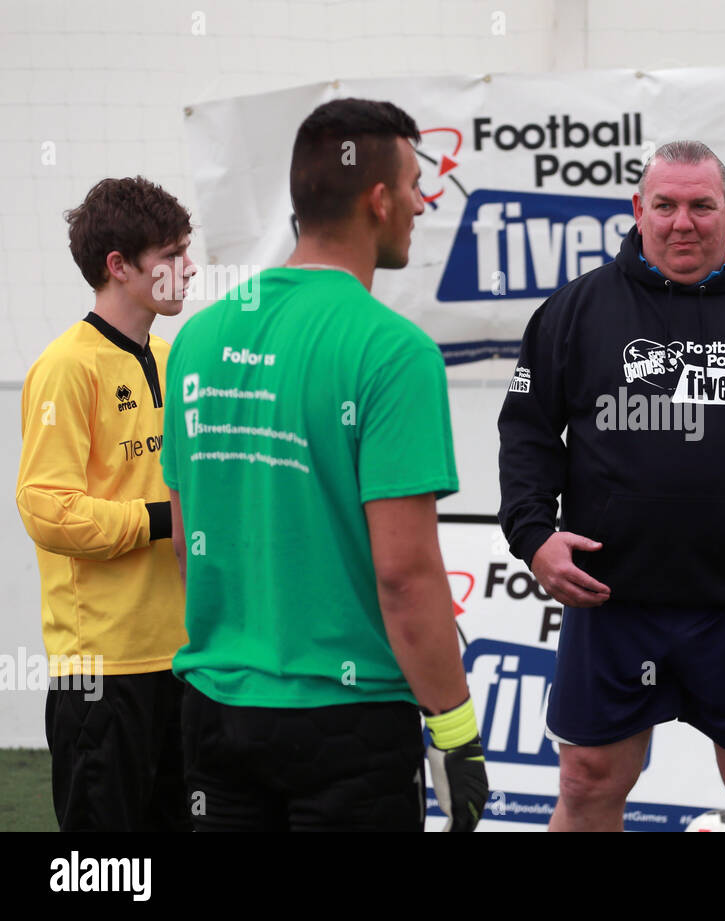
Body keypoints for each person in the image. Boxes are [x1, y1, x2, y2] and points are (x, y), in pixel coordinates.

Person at [498, 139, 725, 832]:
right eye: (665, 205)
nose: (682, 222)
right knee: (586, 778)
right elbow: (528, 432)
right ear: (637, 209)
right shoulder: (575, 309)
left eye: (700, 205)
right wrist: (533, 535)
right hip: (612, 600)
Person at [161, 98, 487, 831]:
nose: (420, 205)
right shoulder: (392, 350)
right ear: (378, 199)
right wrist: (457, 732)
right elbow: (405, 574)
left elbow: (187, 543)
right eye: (412, 187)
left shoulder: (198, 338)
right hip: (350, 722)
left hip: (216, 708)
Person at [16, 176, 195, 831]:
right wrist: (160, 521)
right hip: (100, 672)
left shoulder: (176, 358)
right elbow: (46, 508)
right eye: (172, 256)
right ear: (119, 267)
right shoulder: (66, 366)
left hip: (183, 658)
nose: (190, 268)